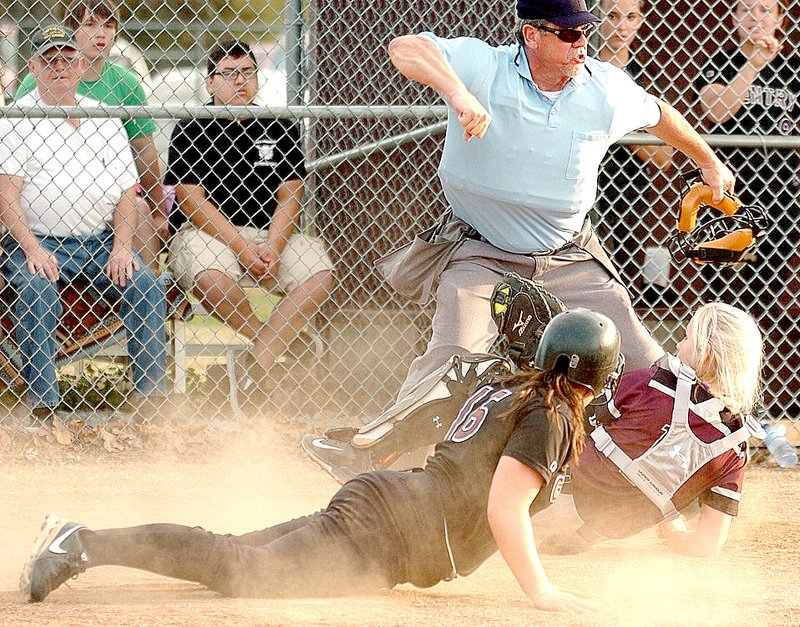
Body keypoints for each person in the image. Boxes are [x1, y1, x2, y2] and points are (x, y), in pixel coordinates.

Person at [303, 0, 736, 470]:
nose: (581, 43)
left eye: (584, 32)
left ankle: (697, 462)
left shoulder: (603, 88)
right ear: (533, 36)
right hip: (481, 251)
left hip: (568, 254)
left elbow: (658, 115)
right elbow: (405, 48)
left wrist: (708, 160)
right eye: (567, 35)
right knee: (454, 357)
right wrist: (459, 95)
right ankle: (369, 457)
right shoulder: (486, 67)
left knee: (642, 359)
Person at [20, 310, 621, 612]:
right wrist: (539, 590)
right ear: (598, 374)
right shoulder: (551, 413)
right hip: (384, 533)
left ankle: (82, 540)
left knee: (232, 550)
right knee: (237, 568)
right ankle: (80, 543)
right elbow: (505, 509)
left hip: (388, 507)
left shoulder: (518, 389)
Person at [0, 25, 168, 425]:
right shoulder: (17, 119)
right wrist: (32, 248)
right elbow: (7, 196)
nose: (59, 67)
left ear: (80, 64)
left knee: (145, 283)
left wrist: (123, 246)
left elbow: (129, 193)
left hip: (98, 241)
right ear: (33, 67)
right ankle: (45, 407)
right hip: (39, 240)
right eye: (48, 60)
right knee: (37, 286)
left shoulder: (103, 118)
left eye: (66, 59)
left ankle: (152, 402)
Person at [164, 39, 334, 398]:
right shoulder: (192, 127)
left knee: (320, 274)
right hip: (207, 233)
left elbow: (291, 195)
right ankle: (271, 346)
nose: (239, 81)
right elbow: (191, 201)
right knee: (210, 277)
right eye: (228, 74)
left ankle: (256, 362)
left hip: (268, 233)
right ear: (210, 82)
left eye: (247, 73)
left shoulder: (279, 125)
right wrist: (242, 248)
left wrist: (272, 246)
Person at [533, 302, 765, 557]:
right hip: (605, 529)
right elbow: (708, 545)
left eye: (686, 338)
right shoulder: (734, 449)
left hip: (551, 502)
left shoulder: (649, 384)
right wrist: (675, 532)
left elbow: (570, 416)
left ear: (705, 353)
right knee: (683, 488)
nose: (678, 345)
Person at [696, 0, 800, 418]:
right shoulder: (721, 62)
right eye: (748, 10)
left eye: (766, 9)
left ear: (780, 18)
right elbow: (718, 109)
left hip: (780, 210)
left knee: (763, 309)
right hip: (728, 208)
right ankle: (714, 405)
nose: (758, 18)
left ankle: (751, 409)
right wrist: (754, 63)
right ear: (735, 18)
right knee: (723, 307)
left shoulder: (794, 71)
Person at [15, 0, 168, 271]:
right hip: (45, 202)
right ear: (72, 30)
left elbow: (144, 151)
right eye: (90, 24)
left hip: (108, 199)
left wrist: (158, 210)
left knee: (142, 212)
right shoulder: (36, 80)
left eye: (109, 26)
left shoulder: (126, 84)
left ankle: (146, 285)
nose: (101, 33)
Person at [592, 0, 677, 306]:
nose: (621, 26)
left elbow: (662, 156)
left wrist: (613, 123)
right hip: (580, 170)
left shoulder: (644, 76)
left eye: (630, 16)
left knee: (619, 263)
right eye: (612, 15)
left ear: (641, 21)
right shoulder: (582, 64)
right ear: (597, 17)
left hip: (626, 184)